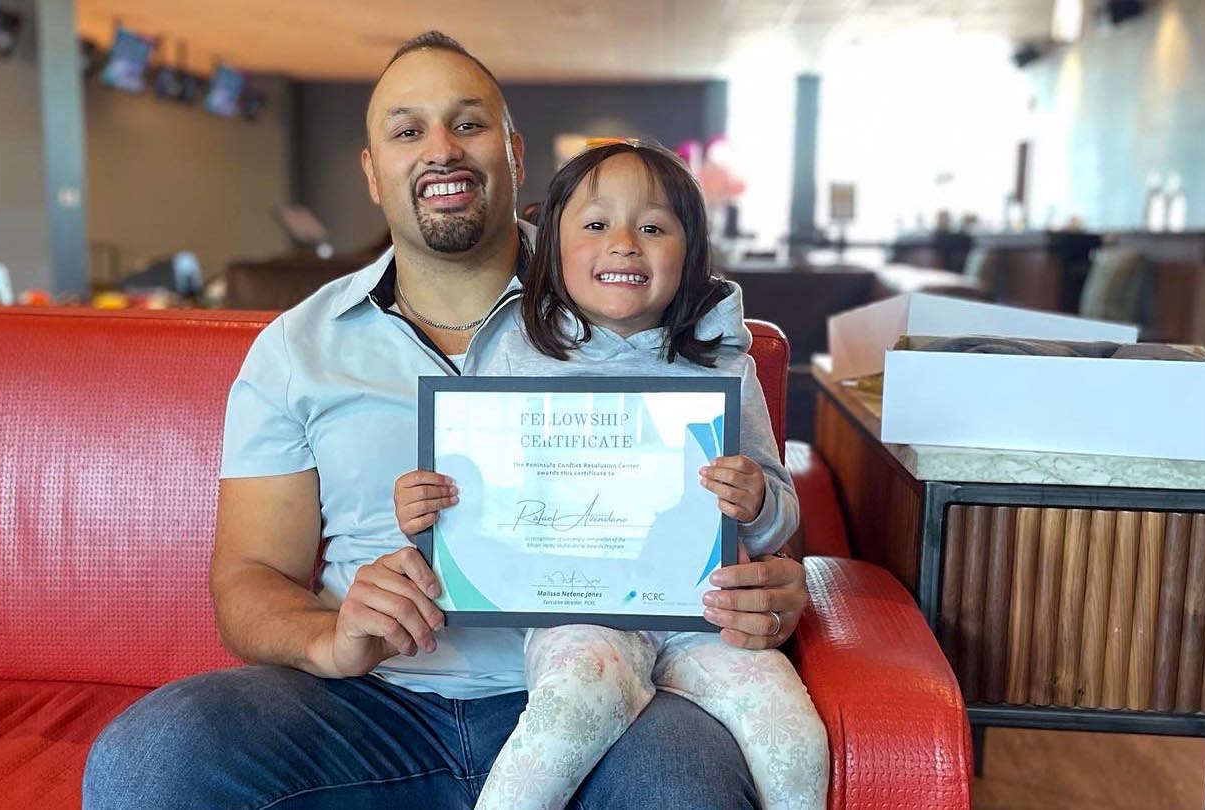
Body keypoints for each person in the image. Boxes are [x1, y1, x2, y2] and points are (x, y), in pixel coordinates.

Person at [82, 32, 812, 809]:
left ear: (514, 154)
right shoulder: (298, 347)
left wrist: (780, 589)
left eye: (467, 125)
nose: (440, 151)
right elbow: (246, 577)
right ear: (372, 172)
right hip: (374, 700)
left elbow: (755, 519)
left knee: (685, 791)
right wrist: (328, 639)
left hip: (619, 684)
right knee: (147, 760)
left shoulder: (634, 301)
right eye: (407, 131)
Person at [394, 141, 827, 810]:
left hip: (701, 615)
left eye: (653, 227)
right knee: (570, 707)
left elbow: (780, 516)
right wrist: (430, 505)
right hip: (578, 614)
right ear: (552, 249)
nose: (625, 243)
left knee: (794, 735)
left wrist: (758, 500)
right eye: (596, 225)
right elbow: (473, 488)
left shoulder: (724, 365)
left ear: (689, 253)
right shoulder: (514, 351)